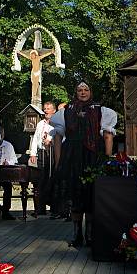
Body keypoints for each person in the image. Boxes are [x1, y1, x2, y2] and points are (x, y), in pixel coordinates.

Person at [50, 82, 116, 247]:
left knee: (92, 194)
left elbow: (108, 135)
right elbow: (57, 138)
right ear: (75, 92)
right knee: (76, 195)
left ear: (91, 92)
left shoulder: (102, 111)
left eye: (86, 89)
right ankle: (78, 232)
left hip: (93, 157)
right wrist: (58, 163)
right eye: (79, 90)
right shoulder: (65, 112)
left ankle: (89, 233)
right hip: (72, 158)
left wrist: (107, 159)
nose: (83, 92)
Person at [29, 101, 57, 216]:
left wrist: (50, 140)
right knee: (40, 180)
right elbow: (35, 138)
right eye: (45, 108)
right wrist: (33, 153)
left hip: (53, 153)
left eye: (48, 108)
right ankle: (40, 208)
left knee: (52, 179)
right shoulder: (40, 123)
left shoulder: (57, 123)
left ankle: (54, 207)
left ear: (54, 111)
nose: (46, 111)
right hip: (41, 153)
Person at [0, 126, 18, 220]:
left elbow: (14, 159)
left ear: (3, 135)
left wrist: (8, 163)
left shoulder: (8, 145)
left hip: (4, 173)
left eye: (0, 135)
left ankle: (6, 211)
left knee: (8, 187)